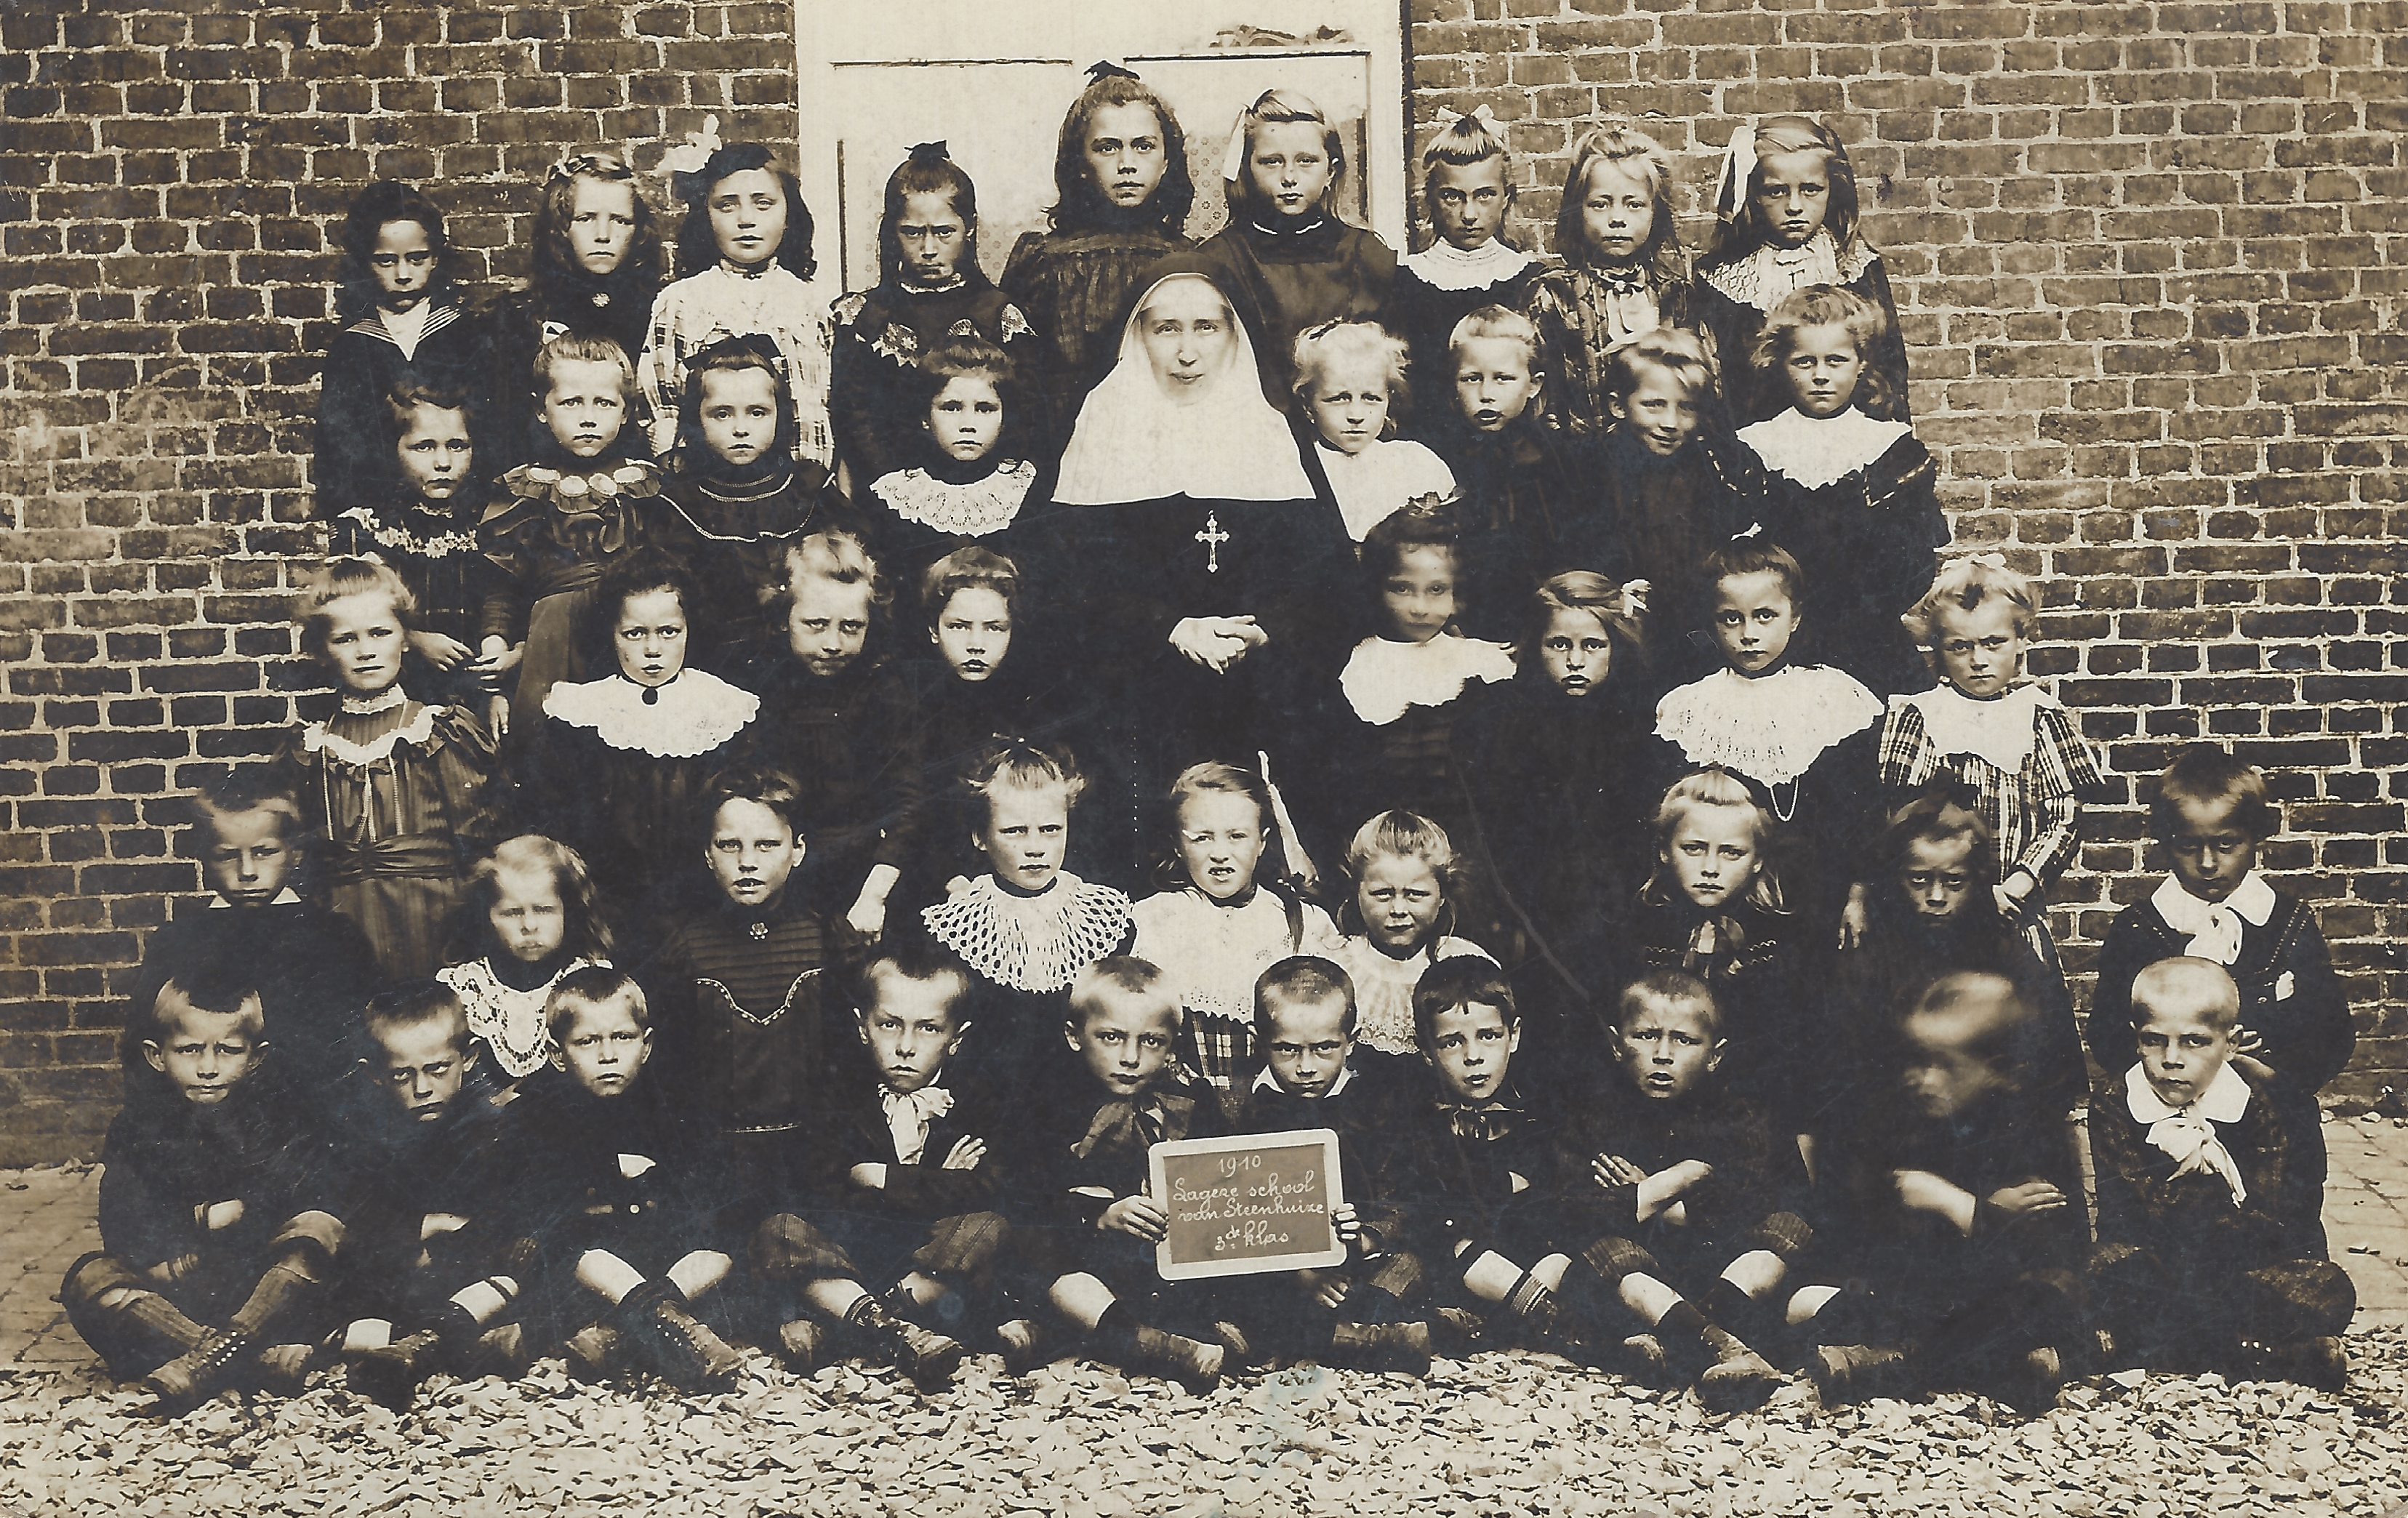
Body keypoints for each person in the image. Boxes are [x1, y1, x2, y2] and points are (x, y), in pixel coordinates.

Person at [1046, 260, 1354, 860]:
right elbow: (1066, 581)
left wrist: (1266, 627)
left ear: (1234, 334)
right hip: (1135, 690)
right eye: (1166, 330)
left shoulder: (1270, 432)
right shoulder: (1101, 428)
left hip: (1260, 687)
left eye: (1206, 329)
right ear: (1138, 336)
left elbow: (1328, 576)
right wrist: (1169, 626)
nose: (1187, 352)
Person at [2089, 747, 2354, 1258]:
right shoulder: (2139, 928)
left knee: (2284, 1228)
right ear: (2166, 843)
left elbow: (2332, 1032)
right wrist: (2167, 1075)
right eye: (2189, 847)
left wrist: (2275, 1069)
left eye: (2226, 845)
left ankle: (2287, 1288)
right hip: (2164, 1122)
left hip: (2271, 1118)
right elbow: (2106, 1030)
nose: (2208, 863)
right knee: (2157, 1232)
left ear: (2257, 839)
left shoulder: (2289, 925)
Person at [1794, 972, 2085, 1412]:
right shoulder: (1906, 1122)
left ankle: (1898, 1363)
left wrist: (1958, 1205)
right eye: (1918, 1060)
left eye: (1946, 1065)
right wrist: (1993, 1217)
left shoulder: (2030, 1131)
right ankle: (1999, 1365)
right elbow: (1865, 1228)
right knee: (1809, 1301)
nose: (1925, 1078)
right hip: (1915, 1291)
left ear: (2002, 1072)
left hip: (2001, 1295)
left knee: (2042, 1301)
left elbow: (2048, 1249)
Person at [61, 970, 346, 1415]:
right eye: (190, 1050)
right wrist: (206, 1216)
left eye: (229, 1050)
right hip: (177, 1297)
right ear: (156, 1056)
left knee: (319, 1228)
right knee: (90, 1275)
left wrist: (245, 1218)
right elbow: (125, 1226)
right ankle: (241, 1359)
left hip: (259, 1295)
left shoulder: (274, 1119)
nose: (209, 1068)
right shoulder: (137, 1128)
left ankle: (214, 1357)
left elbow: (294, 1196)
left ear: (256, 1057)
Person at [2087, 957, 2356, 1389]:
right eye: (2154, 1041)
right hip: (2155, 1263)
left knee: (2326, 1286)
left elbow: (2275, 1211)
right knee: (2099, 1271)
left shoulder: (2260, 1103)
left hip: (2242, 1267)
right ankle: (2267, 1355)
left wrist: (2215, 1215)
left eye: (2195, 1042)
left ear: (2230, 1044)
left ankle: (2145, 1349)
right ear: (2135, 1041)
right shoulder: (2114, 1104)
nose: (2171, 1060)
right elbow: (2132, 1206)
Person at [1552, 971, 1805, 1410]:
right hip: (1641, 1280)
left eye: (1685, 1041)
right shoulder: (1593, 1115)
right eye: (1646, 1036)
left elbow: (1761, 1197)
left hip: (1728, 1275)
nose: (1663, 1055)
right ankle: (1715, 1343)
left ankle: (1698, 1329)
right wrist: (1676, 1181)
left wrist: (1649, 1199)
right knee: (1602, 1248)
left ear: (1715, 1056)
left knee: (1789, 1226)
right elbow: (1569, 1205)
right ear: (1616, 1044)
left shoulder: (1740, 1115)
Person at [489, 967, 749, 1391]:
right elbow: (545, 1210)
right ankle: (676, 1331)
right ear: (558, 1054)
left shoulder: (670, 1104)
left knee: (721, 1254)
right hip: (595, 1264)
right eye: (588, 1042)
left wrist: (649, 1182)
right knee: (579, 1255)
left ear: (646, 1046)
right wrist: (619, 1177)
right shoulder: (538, 1112)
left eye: (622, 1038)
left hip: (664, 1253)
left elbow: (705, 1191)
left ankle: (622, 1333)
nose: (607, 1055)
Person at [998, 957, 1235, 1393]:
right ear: (1074, 1036)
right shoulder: (1049, 1104)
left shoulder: (1191, 1102)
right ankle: (1149, 1345)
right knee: (1054, 1271)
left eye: (1151, 1042)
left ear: (1172, 1047)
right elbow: (1028, 1195)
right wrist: (1099, 1215)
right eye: (1110, 1038)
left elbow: (1219, 1182)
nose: (1130, 1058)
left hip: (1155, 1261)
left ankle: (1065, 1336)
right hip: (1078, 1253)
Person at [1879, 554, 2104, 985]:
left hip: (2011, 911)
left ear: (2021, 639)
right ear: (1939, 650)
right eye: (1960, 647)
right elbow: (1903, 819)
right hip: (1934, 912)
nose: (1977, 660)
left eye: (1993, 642)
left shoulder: (2039, 716)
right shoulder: (1921, 716)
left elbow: (2064, 819)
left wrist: (2016, 887)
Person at [1651, 535, 1883, 941]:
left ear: (1794, 617)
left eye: (1764, 616)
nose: (1748, 634)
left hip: (1818, 893)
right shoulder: (1692, 707)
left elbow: (1860, 811)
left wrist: (1858, 893)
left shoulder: (1832, 697)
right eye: (1730, 618)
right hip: (1728, 898)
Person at [283, 556, 502, 981]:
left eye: (380, 633)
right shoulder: (309, 748)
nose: (366, 651)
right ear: (323, 651)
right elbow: (301, 858)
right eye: (346, 639)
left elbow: (480, 849)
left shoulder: (438, 732)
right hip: (344, 930)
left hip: (436, 923)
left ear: (405, 640)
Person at [524, 547, 760, 942]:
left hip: (703, 904)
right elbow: (553, 810)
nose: (653, 649)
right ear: (611, 634)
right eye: (634, 634)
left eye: (668, 632)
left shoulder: (724, 710)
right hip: (605, 905)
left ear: (690, 629)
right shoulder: (579, 714)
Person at [1453, 572, 1654, 1029]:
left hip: (1620, 902)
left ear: (1616, 646)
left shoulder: (1639, 724)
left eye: (1593, 646)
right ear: (1535, 646)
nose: (1576, 660)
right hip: (1535, 906)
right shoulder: (1505, 723)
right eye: (1559, 645)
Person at [1822, 790, 2082, 1127]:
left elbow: (2043, 1066)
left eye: (1954, 882)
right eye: (1918, 880)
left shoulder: (2006, 952)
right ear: (1896, 877)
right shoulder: (1871, 961)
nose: (1936, 897)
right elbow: (1848, 1080)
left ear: (1977, 882)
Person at [127, 771, 382, 1115]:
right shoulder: (179, 940)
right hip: (211, 1112)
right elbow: (145, 1039)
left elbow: (361, 1037)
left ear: (295, 854)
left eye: (264, 852)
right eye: (227, 855)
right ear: (205, 858)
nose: (247, 871)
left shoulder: (334, 936)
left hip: (311, 1114)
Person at [1226, 956, 1434, 1373]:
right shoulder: (1236, 1108)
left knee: (1409, 1267)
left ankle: (1330, 1335)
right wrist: (1300, 1270)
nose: (1306, 1068)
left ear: (1351, 1041)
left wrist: (1362, 1239)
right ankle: (1362, 1340)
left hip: (1361, 1261)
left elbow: (1402, 1196)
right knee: (1245, 1293)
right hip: (1276, 1268)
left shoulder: (1377, 1106)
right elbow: (1229, 1208)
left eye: (1324, 1049)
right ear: (1258, 1039)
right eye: (1286, 1050)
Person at [1738, 284, 1947, 696]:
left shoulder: (1891, 450)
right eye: (1804, 362)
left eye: (1835, 361)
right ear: (1782, 365)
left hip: (1868, 640)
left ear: (1860, 363)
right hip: (1777, 642)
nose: (1820, 376)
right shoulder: (1752, 447)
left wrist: (1866, 610)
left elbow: (1915, 561)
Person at [819, 938, 1011, 1371]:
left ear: (955, 1040)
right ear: (861, 1026)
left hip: (930, 1268)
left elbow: (989, 1188)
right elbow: (826, 1190)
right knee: (780, 1229)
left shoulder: (976, 1102)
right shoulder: (839, 1097)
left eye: (928, 1028)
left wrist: (882, 1178)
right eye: (889, 1024)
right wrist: (942, 1181)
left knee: (989, 1228)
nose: (906, 1046)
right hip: (856, 1252)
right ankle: (887, 1328)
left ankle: (859, 1323)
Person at [335, 982, 524, 1410]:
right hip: (404, 1271)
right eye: (403, 1074)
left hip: (477, 1273)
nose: (422, 1088)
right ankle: (420, 1345)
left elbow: (508, 1215)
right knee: (361, 1285)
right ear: (376, 1074)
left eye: (438, 1069)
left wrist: (445, 1241)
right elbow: (361, 1219)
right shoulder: (369, 1136)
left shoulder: (493, 1128)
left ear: (469, 1058)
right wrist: (423, 1227)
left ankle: (422, 1345)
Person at [477, 333, 667, 735]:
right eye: (570, 402)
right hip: (551, 639)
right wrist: (496, 645)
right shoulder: (527, 489)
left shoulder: (645, 486)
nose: (588, 417)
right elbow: (503, 587)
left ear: (626, 412)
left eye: (604, 403)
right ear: (542, 410)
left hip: (630, 632)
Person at [1130, 761, 1343, 1118]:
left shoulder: (1299, 921)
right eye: (1202, 838)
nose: (1220, 853)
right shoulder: (1153, 920)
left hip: (1278, 1110)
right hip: (1183, 1112)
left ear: (1263, 842)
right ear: (1178, 845)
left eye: (1237, 836)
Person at [1392, 957, 1582, 1354]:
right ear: (1426, 1049)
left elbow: (1554, 1197)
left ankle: (1523, 1320)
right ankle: (1551, 1318)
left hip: (1529, 1255)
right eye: (1451, 1042)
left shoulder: (1535, 1117)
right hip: (1461, 1266)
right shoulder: (1420, 1123)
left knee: (1559, 1257)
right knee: (1459, 1246)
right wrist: (1504, 1185)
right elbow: (1426, 1203)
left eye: (1488, 1036)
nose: (1473, 1056)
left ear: (1513, 1036)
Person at [1001, 62, 1198, 443]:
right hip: (1064, 449)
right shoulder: (1044, 260)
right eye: (1108, 148)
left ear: (1167, 160)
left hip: (1167, 445)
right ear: (1079, 163)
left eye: (1144, 147)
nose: (1127, 165)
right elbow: (1016, 381)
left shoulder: (1187, 261)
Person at [744, 523, 923, 934]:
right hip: (778, 873)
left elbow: (908, 804)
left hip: (869, 874)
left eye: (851, 627)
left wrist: (874, 895)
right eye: (815, 624)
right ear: (784, 616)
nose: (832, 644)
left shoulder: (886, 691)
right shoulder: (762, 687)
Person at [920, 739, 1133, 1084]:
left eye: (1051, 830)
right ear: (981, 836)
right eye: (1014, 832)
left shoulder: (1107, 918)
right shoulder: (952, 928)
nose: (1035, 848)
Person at [831, 143, 1045, 485]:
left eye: (944, 232)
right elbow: (854, 417)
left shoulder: (999, 316)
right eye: (913, 233)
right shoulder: (864, 318)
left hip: (981, 490)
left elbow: (1026, 417)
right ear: (892, 231)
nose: (929, 250)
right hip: (887, 493)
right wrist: (896, 489)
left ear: (970, 227)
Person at [1613, 771, 1810, 1134]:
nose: (1710, 869)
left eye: (1732, 853)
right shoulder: (1634, 938)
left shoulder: (1775, 949)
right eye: (1693, 848)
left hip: (1743, 1127)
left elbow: (1785, 1069)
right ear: (1663, 850)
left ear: (1758, 861)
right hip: (1641, 1121)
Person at [1309, 502, 1514, 849]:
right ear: (1377, 588)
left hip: (1472, 847)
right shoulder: (1358, 665)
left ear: (1457, 593)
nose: (1419, 606)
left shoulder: (1482, 662)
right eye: (1402, 589)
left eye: (1437, 590)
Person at [1693, 115, 1909, 427]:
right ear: (1753, 194)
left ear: (1831, 190)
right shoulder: (1723, 278)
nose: (1794, 206)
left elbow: (1891, 371)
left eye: (1810, 189)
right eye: (1776, 191)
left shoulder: (1856, 267)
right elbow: (1720, 386)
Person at [640, 140, 836, 471]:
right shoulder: (681, 302)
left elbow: (828, 404)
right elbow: (662, 406)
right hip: (710, 493)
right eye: (727, 205)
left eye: (763, 204)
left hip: (802, 488)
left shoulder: (811, 304)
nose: (746, 219)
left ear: (788, 214)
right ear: (706, 215)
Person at [654, 336, 840, 672]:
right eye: (722, 414)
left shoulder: (806, 486)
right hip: (716, 657)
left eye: (757, 413)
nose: (741, 429)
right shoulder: (682, 502)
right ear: (697, 420)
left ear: (779, 415)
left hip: (809, 653)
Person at [1589, 329, 1759, 696]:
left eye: (1686, 407)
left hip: (1690, 624)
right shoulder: (1595, 469)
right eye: (1654, 404)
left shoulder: (1706, 469)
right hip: (1619, 624)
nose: (1670, 422)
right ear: (1619, 406)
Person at [1197, 87, 1395, 401]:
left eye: (1306, 161)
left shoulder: (1367, 256)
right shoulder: (1219, 259)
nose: (1289, 176)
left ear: (1331, 171)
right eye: (1272, 162)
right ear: (1247, 170)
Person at [1425, 305, 1608, 635]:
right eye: (1471, 379)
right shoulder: (1441, 457)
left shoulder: (1557, 457)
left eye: (1504, 379)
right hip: (1464, 610)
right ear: (1453, 385)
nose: (1486, 394)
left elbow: (1579, 541)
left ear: (1534, 385)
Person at [486, 149, 665, 474]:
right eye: (585, 218)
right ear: (561, 226)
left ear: (637, 231)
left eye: (620, 221)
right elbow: (504, 426)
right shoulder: (519, 313)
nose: (603, 235)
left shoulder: (656, 309)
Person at [315, 180, 489, 513]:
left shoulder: (467, 334)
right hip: (377, 512)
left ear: (436, 258)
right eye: (386, 261)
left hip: (461, 511)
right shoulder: (352, 347)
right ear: (366, 262)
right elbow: (337, 445)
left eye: (417, 258)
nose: (403, 274)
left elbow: (489, 431)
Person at [325, 378, 499, 704]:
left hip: (478, 688)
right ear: (393, 449)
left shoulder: (489, 518)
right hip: (400, 686)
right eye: (424, 447)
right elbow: (353, 617)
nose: (443, 462)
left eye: (458, 446)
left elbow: (505, 602)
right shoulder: (366, 525)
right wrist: (416, 640)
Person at [1528, 126, 1701, 440]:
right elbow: (1541, 395)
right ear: (1578, 210)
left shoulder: (1676, 294)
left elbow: (1701, 387)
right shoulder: (1554, 294)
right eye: (1601, 204)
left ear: (1655, 212)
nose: (1617, 218)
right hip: (1576, 461)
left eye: (1634, 204)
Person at [1387, 106, 1546, 403]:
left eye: (1484, 195)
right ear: (1430, 199)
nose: (1469, 214)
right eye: (1452, 196)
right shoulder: (1405, 280)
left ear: (1506, 198)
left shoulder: (1530, 279)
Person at [860, 337, 1048, 585]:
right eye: (951, 407)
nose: (968, 425)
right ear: (925, 417)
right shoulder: (898, 497)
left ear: (1005, 419)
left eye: (985, 408)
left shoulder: (1025, 489)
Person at [436, 835, 613, 1087]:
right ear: (486, 917)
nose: (529, 926)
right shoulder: (467, 989)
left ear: (568, 911)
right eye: (511, 913)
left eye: (544, 909)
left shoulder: (592, 982)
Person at [1329, 811, 1495, 1061]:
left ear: (1441, 897)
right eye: (1382, 894)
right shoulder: (1334, 964)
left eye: (1415, 894)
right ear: (1357, 892)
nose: (1398, 910)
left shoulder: (1467, 963)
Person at [1288, 318, 1456, 547]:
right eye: (1339, 398)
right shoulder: (1295, 469)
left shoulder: (1417, 463)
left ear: (1388, 400)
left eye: (1371, 398)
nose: (1356, 414)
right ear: (1308, 405)